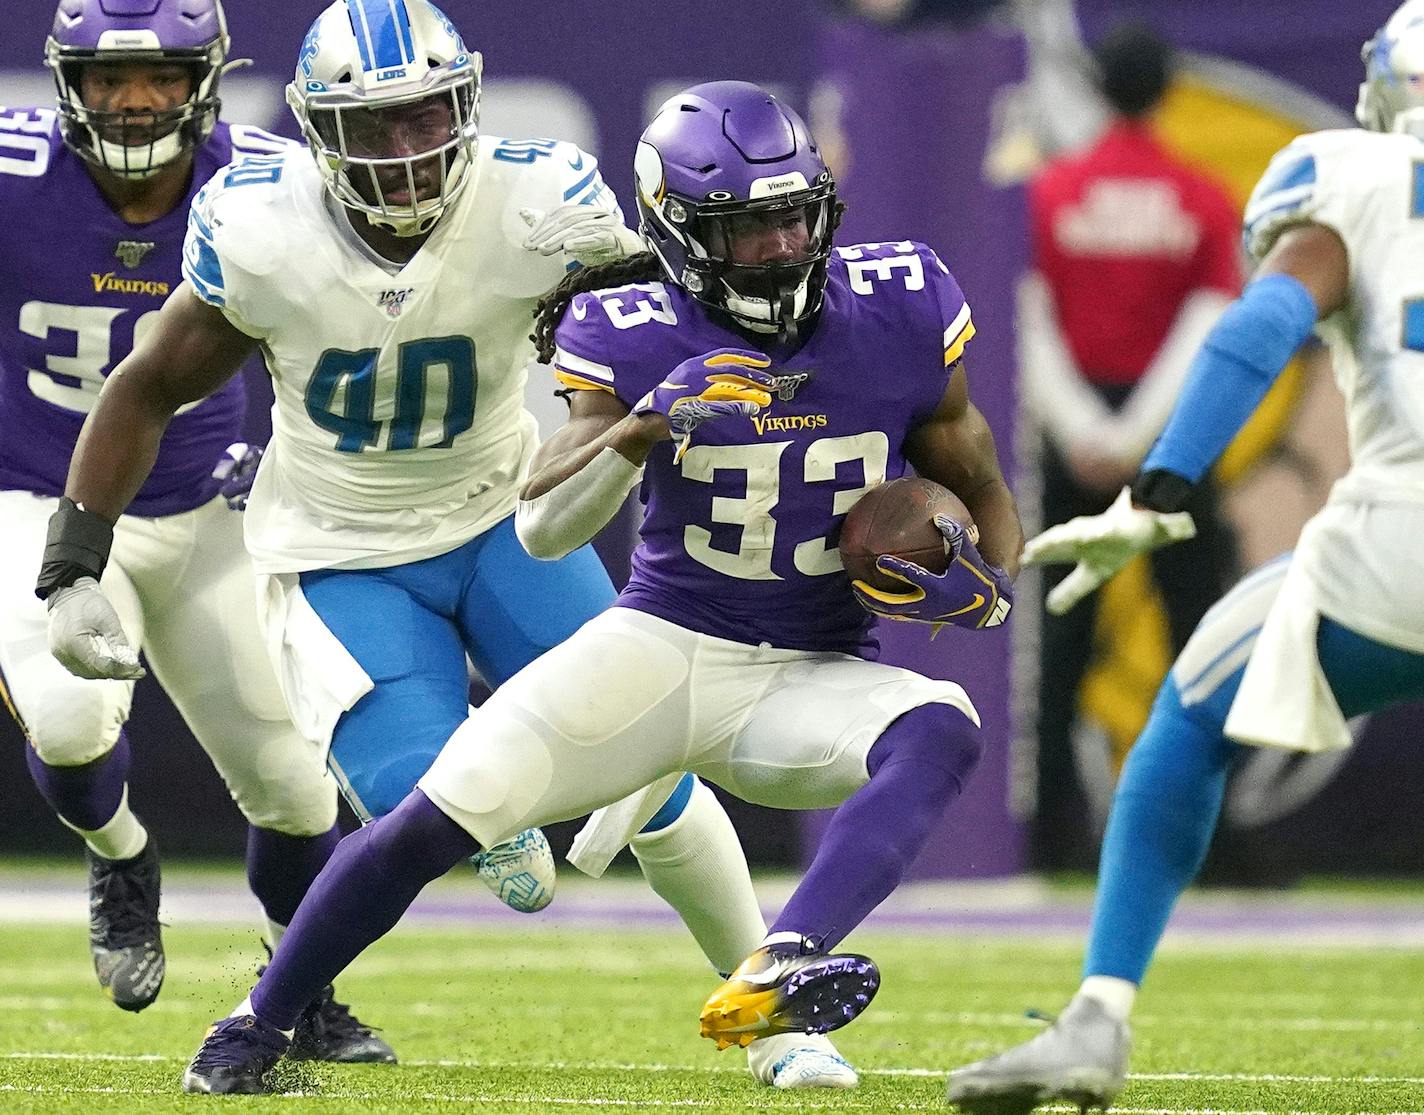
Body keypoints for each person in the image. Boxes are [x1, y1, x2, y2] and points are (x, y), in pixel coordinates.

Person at [39, 3, 856, 1093]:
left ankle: (774, 1020)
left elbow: (660, 332)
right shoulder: (259, 222)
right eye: (371, 129)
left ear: (466, 104)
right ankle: (458, 833)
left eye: (424, 117)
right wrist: (74, 558)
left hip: (503, 520)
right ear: (317, 132)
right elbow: (146, 382)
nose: (405, 150)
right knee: (458, 816)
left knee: (658, 785)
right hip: (343, 552)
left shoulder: (537, 199)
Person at [173, 78, 1024, 1094]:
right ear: (675, 230)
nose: (779, 248)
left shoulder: (900, 301)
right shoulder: (632, 327)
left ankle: (781, 965)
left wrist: (986, 580)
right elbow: (540, 527)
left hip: (808, 673)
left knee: (941, 724)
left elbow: (974, 476)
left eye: (795, 219)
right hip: (660, 649)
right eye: (745, 230)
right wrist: (639, 429)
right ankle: (253, 1027)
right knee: (435, 820)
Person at [946, 3, 1424, 1110]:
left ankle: (1095, 1017)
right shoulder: (1196, 192)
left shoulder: (1347, 180)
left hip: (1398, 551)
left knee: (1189, 713)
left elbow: (1258, 327)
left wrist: (1158, 483)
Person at [0, 0, 404, 1061]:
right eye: (106, 80)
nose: (134, 101)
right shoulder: (10, 174)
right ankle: (121, 853)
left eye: (162, 77)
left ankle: (297, 984)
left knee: (295, 782)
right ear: (65, 85)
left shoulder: (274, 183)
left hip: (207, 500)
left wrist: (286, 457)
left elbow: (354, 334)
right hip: (37, 495)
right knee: (73, 719)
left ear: (207, 80)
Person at [1019, 20, 1240, 870]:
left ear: (1099, 87)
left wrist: (1084, 431)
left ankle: (1049, 837)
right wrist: (1146, 438)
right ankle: (1211, 841)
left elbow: (1027, 317)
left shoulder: (1052, 192)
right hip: (1175, 442)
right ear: (1167, 90)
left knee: (1059, 637)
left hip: (1074, 438)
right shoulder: (1200, 196)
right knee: (1198, 640)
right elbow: (1208, 329)